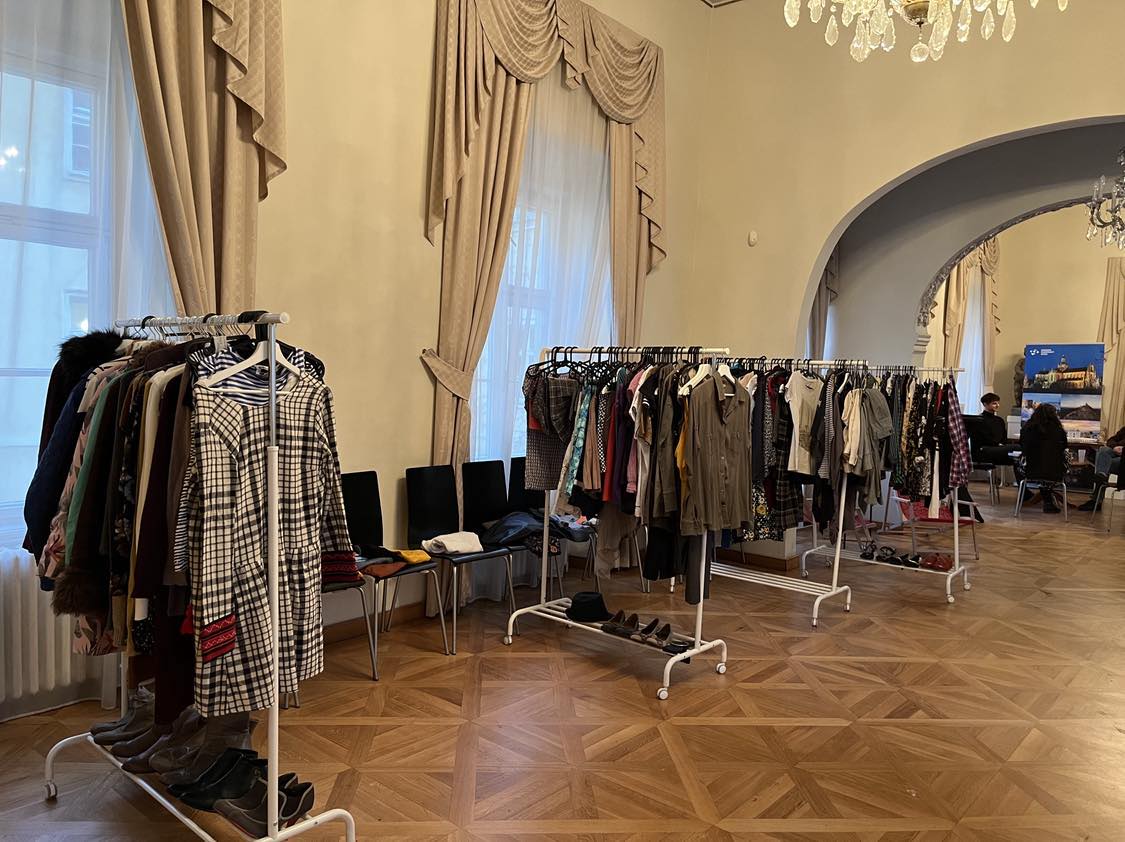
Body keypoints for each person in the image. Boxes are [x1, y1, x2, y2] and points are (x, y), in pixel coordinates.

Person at [1019, 403, 1068, 514]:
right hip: (1056, 471)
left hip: (1030, 471)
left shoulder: (1027, 428)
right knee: (1048, 467)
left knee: (1019, 464)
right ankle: (1048, 499)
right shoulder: (1058, 430)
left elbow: (1022, 445)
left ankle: (1029, 496)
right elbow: (1064, 447)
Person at [1079, 425, 1124, 511]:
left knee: (1103, 463)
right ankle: (1101, 476)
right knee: (1103, 450)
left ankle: (1096, 501)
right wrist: (1115, 447)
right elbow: (1111, 440)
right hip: (1116, 453)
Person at [971, 392, 1018, 465]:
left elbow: (1004, 437)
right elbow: (984, 439)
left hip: (997, 448)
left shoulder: (1000, 420)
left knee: (1017, 455)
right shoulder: (979, 420)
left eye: (998, 403)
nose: (997, 405)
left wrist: (1002, 445)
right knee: (1016, 448)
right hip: (983, 450)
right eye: (994, 403)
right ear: (985, 404)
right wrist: (999, 445)